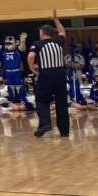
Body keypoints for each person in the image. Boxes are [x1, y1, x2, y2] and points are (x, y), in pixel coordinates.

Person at [29, 9, 69, 137]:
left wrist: (32, 68)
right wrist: (56, 20)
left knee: (41, 100)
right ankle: (64, 131)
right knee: (61, 103)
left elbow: (31, 56)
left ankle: (45, 124)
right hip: (60, 75)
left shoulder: (38, 44)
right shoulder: (58, 42)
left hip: (46, 75)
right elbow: (62, 32)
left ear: (42, 33)